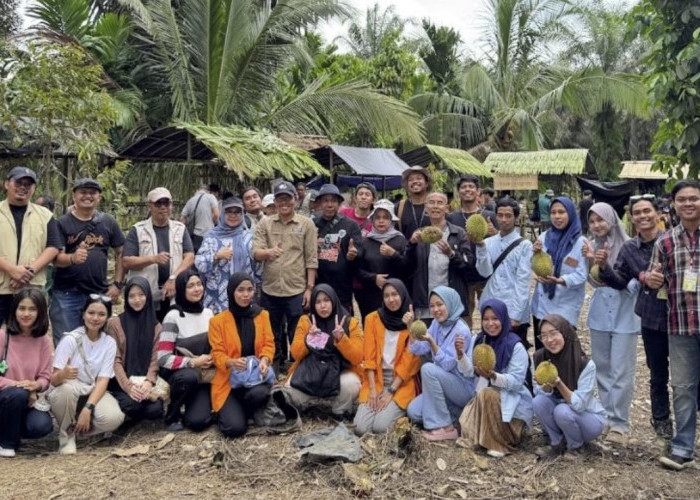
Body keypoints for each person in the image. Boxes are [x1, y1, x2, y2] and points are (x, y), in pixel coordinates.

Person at [598, 195, 671, 438]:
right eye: (637, 213)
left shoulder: (672, 241)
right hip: (651, 318)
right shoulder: (630, 248)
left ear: (658, 214)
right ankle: (663, 431)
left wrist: (651, 278)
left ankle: (686, 426)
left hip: (681, 317)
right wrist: (603, 268)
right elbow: (619, 280)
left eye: (647, 211)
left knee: (686, 377)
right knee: (657, 375)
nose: (642, 216)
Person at [646, 180, 700, 470]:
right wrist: (653, 281)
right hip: (680, 325)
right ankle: (682, 448)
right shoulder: (664, 241)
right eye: (682, 199)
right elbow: (657, 279)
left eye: (694, 198)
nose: (688, 204)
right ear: (673, 204)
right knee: (682, 387)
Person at [583, 202, 640, 444]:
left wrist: (610, 273)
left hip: (625, 315)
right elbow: (593, 283)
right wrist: (591, 262)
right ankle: (605, 416)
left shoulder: (629, 246)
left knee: (622, 371)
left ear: (612, 220)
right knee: (603, 368)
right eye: (592, 221)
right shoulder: (591, 246)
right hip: (599, 316)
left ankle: (620, 423)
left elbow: (635, 283)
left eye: (601, 220)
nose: (596, 225)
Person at [51, 178, 125, 344]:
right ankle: (66, 371)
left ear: (99, 197)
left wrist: (117, 284)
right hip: (67, 293)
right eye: (83, 192)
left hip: (98, 293)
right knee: (67, 342)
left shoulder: (108, 222)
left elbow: (121, 251)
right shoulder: (61, 223)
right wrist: (72, 258)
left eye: (93, 193)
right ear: (74, 196)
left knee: (96, 342)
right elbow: (55, 259)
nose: (88, 196)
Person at [253, 182, 318, 373]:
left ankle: (297, 366)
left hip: (296, 289)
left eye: (287, 198)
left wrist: (309, 288)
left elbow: (311, 258)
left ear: (295, 200)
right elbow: (255, 252)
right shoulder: (265, 222)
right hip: (270, 288)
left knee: (297, 331)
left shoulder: (306, 224)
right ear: (275, 201)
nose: (284, 203)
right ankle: (273, 365)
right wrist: (268, 252)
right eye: (279, 199)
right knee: (271, 332)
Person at [48, 295, 125, 454]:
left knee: (114, 417)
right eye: (91, 313)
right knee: (66, 390)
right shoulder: (70, 340)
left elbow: (103, 380)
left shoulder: (109, 342)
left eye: (101, 314)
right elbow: (53, 381)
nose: (95, 318)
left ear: (107, 318)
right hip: (69, 390)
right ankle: (66, 436)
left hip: (90, 389)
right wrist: (63, 374)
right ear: (83, 314)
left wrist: (87, 409)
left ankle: (81, 432)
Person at [458, 299, 533, 457]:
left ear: (503, 319)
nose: (490, 323)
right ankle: (483, 437)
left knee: (487, 393)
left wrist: (493, 376)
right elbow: (469, 372)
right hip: (485, 395)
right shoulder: (478, 340)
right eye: (486, 319)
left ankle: (499, 443)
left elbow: (516, 382)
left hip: (512, 399)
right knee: (480, 399)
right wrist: (461, 355)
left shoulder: (516, 346)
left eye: (495, 318)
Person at [209, 273, 275, 438]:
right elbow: (216, 353)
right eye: (241, 290)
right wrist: (230, 362)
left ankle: (245, 409)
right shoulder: (217, 321)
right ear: (231, 292)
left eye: (250, 290)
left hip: (254, 378)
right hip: (229, 381)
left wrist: (265, 360)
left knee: (260, 394)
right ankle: (234, 410)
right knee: (234, 429)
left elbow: (269, 344)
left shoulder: (262, 315)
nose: (246, 295)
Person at [282, 285, 363, 418]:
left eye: (326, 300)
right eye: (318, 302)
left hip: (339, 374)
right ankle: (302, 405)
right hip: (310, 372)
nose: (323, 306)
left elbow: (358, 357)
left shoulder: (350, 322)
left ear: (334, 301)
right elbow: (295, 354)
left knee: (351, 384)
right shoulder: (306, 320)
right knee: (289, 391)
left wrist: (342, 339)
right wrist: (308, 339)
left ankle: (340, 410)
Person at [406, 286, 475, 441]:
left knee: (428, 368)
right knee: (413, 412)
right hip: (443, 385)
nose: (435, 310)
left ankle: (445, 427)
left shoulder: (461, 330)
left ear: (450, 304)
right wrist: (410, 328)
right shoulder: (437, 324)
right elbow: (419, 348)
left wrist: (432, 341)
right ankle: (455, 414)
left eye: (440, 304)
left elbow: (448, 366)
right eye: (432, 306)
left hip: (462, 387)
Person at [532, 314, 606, 456]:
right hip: (561, 414)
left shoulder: (584, 364)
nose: (549, 340)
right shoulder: (539, 358)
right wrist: (546, 388)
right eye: (544, 336)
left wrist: (559, 384)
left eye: (554, 334)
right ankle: (556, 443)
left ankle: (576, 447)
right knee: (538, 402)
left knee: (562, 410)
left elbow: (580, 405)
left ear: (565, 333)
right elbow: (539, 393)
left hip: (588, 419)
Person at [354, 279, 420, 435]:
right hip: (377, 378)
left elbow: (410, 363)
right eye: (386, 296)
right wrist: (372, 390)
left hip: (400, 382)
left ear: (403, 295)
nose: (391, 300)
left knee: (380, 427)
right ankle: (378, 407)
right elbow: (369, 358)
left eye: (395, 294)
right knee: (360, 428)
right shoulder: (372, 319)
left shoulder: (412, 323)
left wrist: (391, 391)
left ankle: (397, 410)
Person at [124, 187, 195, 322]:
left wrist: (173, 278)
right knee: (147, 331)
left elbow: (190, 256)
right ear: (149, 206)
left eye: (166, 203)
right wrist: (153, 259)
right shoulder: (138, 230)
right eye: (158, 203)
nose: (163, 207)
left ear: (171, 205)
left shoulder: (180, 229)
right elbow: (127, 261)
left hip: (174, 292)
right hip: (146, 293)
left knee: (172, 331)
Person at [0, 166, 60, 325]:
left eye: (28, 184)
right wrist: (12, 270)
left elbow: (53, 246)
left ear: (34, 189)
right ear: (7, 184)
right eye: (18, 182)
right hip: (1, 286)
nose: (23, 187)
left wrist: (28, 272)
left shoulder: (45, 215)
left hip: (31, 288)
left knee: (28, 335)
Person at [157, 270, 214, 432]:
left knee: (199, 422)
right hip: (182, 376)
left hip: (204, 376)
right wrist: (193, 362)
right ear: (181, 290)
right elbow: (163, 357)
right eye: (190, 286)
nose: (197, 289)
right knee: (188, 376)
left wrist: (212, 358)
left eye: (199, 284)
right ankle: (172, 415)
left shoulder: (208, 313)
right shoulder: (173, 316)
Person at [0, 289, 53, 458]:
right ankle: (7, 443)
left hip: (26, 401)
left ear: (41, 312)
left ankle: (10, 429)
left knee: (42, 425)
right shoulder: (3, 336)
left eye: (32, 309)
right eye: (21, 308)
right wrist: (18, 386)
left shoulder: (44, 340)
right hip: (5, 397)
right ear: (14, 310)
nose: (26, 314)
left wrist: (36, 385)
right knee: (16, 394)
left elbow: (45, 376)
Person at [531, 196, 587, 351]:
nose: (557, 216)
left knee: (564, 354)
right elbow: (536, 264)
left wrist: (560, 280)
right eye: (553, 212)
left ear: (570, 213)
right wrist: (534, 253)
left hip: (565, 307)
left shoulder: (580, 242)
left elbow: (581, 275)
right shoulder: (543, 238)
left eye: (561, 212)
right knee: (543, 353)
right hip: (542, 306)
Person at [475, 197, 533, 346]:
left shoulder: (525, 245)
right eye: (500, 215)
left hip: (512, 307)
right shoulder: (487, 242)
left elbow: (523, 281)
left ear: (516, 218)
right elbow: (484, 272)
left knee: (514, 349)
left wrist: (515, 315)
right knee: (490, 349)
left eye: (508, 216)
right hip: (491, 306)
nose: (503, 220)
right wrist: (480, 246)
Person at [106, 277, 164, 423]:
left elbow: (155, 359)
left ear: (148, 296)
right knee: (133, 406)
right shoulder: (115, 323)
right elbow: (115, 360)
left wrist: (148, 382)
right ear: (126, 298)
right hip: (121, 383)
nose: (137, 300)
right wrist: (128, 387)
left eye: (141, 295)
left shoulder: (156, 326)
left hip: (144, 381)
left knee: (155, 410)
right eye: (132, 296)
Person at [408, 192, 472, 322]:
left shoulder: (458, 233)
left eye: (440, 203)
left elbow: (468, 265)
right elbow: (406, 266)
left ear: (447, 208)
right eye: (431, 202)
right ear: (426, 207)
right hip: (425, 304)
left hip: (451, 303)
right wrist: (411, 245)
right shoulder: (419, 234)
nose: (435, 206)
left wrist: (451, 254)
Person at [446, 175, 498, 329]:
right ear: (458, 192)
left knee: (490, 316)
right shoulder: (451, 218)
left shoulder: (490, 216)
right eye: (463, 187)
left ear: (478, 191)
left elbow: (502, 242)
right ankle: (465, 349)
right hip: (463, 276)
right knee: (463, 318)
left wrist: (494, 232)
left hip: (486, 275)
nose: (467, 190)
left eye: (471, 187)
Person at [195, 197, 256, 314]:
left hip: (244, 295)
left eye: (237, 212)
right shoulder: (211, 236)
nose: (233, 215)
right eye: (229, 211)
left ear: (242, 214)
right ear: (222, 213)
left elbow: (256, 267)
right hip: (217, 296)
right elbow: (199, 262)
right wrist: (216, 256)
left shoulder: (249, 237)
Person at [355, 199, 409, 320]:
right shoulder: (365, 242)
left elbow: (408, 268)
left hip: (395, 297)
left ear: (391, 220)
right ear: (372, 220)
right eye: (377, 217)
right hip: (370, 298)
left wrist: (393, 254)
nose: (381, 221)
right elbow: (357, 270)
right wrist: (374, 278)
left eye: (385, 217)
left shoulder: (400, 240)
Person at [313, 184, 363, 314]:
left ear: (339, 203)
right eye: (325, 201)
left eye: (333, 201)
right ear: (319, 203)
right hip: (318, 284)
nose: (330, 204)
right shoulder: (312, 224)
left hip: (342, 287)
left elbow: (359, 250)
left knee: (343, 323)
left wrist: (354, 254)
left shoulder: (351, 225)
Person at [180, 184, 219, 253]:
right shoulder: (211, 197)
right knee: (209, 258)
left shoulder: (191, 200)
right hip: (209, 234)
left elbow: (181, 219)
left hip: (196, 236)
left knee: (198, 259)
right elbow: (216, 214)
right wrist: (213, 223)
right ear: (208, 191)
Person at [396, 166, 432, 240]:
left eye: (419, 178)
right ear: (407, 185)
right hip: (406, 250)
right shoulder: (399, 207)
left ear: (427, 183)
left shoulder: (435, 205)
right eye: (410, 179)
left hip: (431, 250)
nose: (415, 181)